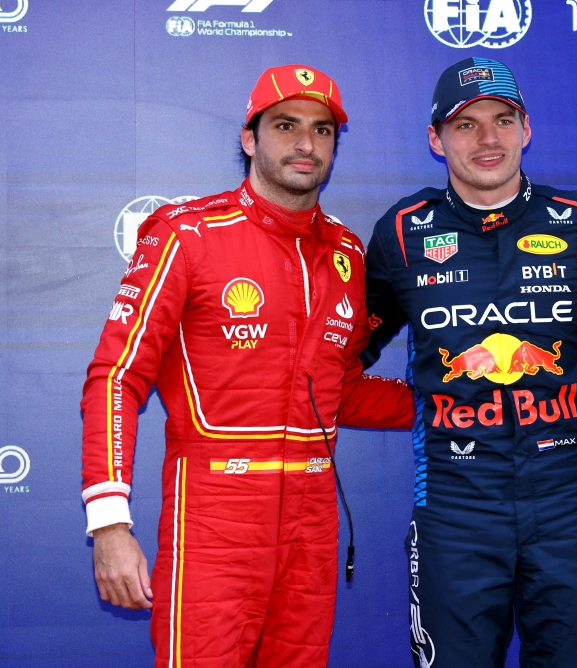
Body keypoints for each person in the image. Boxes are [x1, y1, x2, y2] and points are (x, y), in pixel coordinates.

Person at [80, 64, 413, 667]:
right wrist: (108, 522)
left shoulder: (347, 253)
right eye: (286, 125)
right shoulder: (187, 234)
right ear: (249, 136)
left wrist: (455, 401)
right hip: (214, 519)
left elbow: (340, 391)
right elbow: (117, 376)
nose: (306, 144)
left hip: (313, 522)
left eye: (322, 130)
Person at [362, 58, 577, 667]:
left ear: (526, 129)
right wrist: (430, 403)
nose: (488, 139)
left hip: (567, 500)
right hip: (455, 507)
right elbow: (348, 350)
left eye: (503, 120)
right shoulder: (401, 232)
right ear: (435, 139)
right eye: (466, 125)